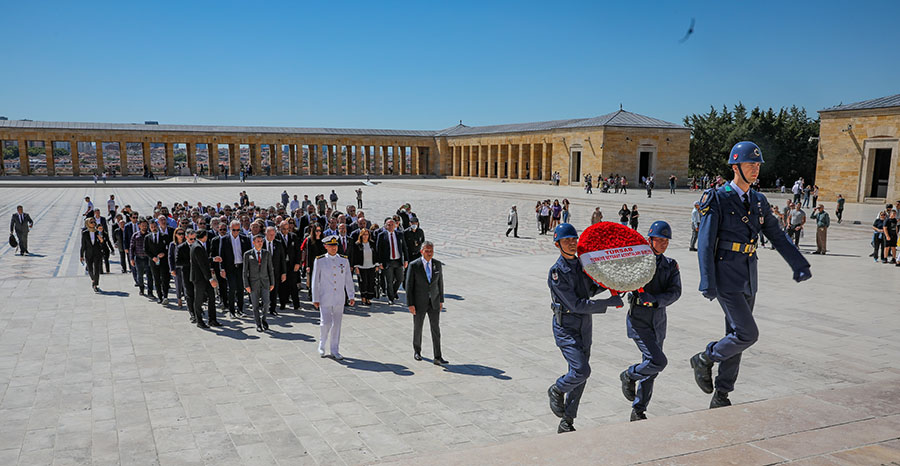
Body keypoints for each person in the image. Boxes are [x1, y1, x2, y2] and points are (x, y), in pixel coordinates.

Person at [691, 141, 811, 409]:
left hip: (748, 275)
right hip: (725, 275)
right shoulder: (718, 198)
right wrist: (707, 280)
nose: (755, 169)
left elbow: (776, 235)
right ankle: (705, 357)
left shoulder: (758, 200)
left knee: (735, 336)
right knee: (747, 334)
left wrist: (798, 263)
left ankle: (722, 394)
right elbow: (706, 243)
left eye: (757, 165)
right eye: (750, 164)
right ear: (736, 167)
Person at [547, 224, 624, 433]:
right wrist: (608, 302)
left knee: (580, 375)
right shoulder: (557, 272)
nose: (572, 243)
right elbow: (576, 304)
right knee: (581, 370)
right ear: (557, 244)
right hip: (566, 327)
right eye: (566, 240)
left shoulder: (583, 265)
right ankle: (557, 389)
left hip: (584, 326)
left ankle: (567, 421)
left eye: (574, 239)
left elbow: (592, 288)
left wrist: (615, 284)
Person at [620, 221, 681, 421]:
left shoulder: (670, 265)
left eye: (666, 240)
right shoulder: (638, 261)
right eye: (660, 239)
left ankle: (639, 410)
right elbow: (623, 280)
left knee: (651, 367)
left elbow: (675, 292)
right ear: (650, 240)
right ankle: (629, 375)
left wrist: (655, 300)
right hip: (639, 320)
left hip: (658, 321)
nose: (664, 243)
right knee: (657, 361)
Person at [312, 235, 355, 359]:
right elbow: (315, 280)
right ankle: (322, 343)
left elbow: (348, 279)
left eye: (335, 245)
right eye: (331, 246)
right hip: (325, 296)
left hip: (339, 297)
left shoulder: (343, 260)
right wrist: (315, 298)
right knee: (325, 323)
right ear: (325, 246)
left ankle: (335, 349)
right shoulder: (320, 260)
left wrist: (351, 295)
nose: (333, 248)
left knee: (337, 324)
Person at [406, 241, 446, 365]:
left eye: (431, 251)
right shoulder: (414, 265)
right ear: (421, 251)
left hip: (434, 301)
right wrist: (410, 304)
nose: (429, 253)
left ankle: (438, 356)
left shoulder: (437, 264)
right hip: (419, 302)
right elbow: (409, 286)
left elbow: (440, 283)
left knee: (436, 329)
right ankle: (417, 351)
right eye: (427, 251)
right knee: (418, 327)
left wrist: (441, 300)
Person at [216, 220, 251, 317]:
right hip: (230, 268)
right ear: (230, 229)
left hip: (241, 267)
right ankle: (232, 311)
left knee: (240, 289)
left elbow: (249, 254)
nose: (236, 232)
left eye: (238, 230)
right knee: (232, 289)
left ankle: (240, 310)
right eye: (234, 230)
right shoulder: (225, 239)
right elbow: (221, 255)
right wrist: (222, 269)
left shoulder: (245, 239)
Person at [243, 234, 275, 332]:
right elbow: (245, 271)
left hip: (265, 282)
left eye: (261, 241)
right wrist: (246, 285)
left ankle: (264, 319)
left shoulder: (266, 253)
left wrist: (272, 282)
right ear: (253, 242)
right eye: (258, 241)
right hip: (253, 283)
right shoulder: (248, 254)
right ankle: (258, 324)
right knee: (255, 305)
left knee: (266, 303)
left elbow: (270, 269)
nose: (260, 243)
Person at [190, 229, 220, 328]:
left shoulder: (198, 245)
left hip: (204, 277)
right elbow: (202, 265)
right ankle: (199, 321)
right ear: (205, 236)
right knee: (198, 299)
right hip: (199, 278)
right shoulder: (197, 247)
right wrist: (210, 279)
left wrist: (213, 259)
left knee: (211, 297)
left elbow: (203, 260)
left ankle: (212, 319)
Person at [375, 219, 407, 304]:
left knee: (400, 279)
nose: (391, 226)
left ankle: (393, 291)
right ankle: (391, 298)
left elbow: (404, 247)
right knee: (389, 281)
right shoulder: (382, 235)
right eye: (389, 225)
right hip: (387, 262)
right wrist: (379, 262)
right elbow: (378, 250)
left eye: (392, 224)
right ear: (385, 226)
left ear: (395, 225)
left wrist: (406, 260)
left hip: (398, 260)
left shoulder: (399, 234)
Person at [146, 221, 171, 305]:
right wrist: (153, 257)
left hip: (163, 261)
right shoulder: (147, 237)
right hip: (154, 261)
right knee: (156, 279)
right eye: (152, 227)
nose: (154, 228)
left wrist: (164, 253)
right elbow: (146, 250)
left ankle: (165, 296)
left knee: (165, 278)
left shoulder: (164, 236)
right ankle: (159, 296)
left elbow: (169, 248)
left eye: (155, 226)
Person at [265, 226, 288, 315]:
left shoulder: (278, 244)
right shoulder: (261, 242)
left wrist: (284, 272)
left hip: (275, 271)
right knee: (264, 291)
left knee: (274, 291)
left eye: (273, 235)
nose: (272, 236)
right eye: (270, 234)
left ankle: (272, 309)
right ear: (266, 234)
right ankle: (264, 308)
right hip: (263, 271)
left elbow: (282, 259)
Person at [351, 227, 377, 305]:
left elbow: (376, 254)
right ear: (361, 235)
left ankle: (368, 298)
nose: (365, 236)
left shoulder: (372, 243)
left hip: (371, 266)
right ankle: (363, 298)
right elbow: (355, 256)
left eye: (367, 234)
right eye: (364, 234)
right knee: (363, 283)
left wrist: (377, 265)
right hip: (361, 267)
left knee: (370, 282)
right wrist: (356, 267)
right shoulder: (357, 244)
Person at [80, 217, 105, 293]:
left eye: (94, 222)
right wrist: (81, 255)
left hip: (97, 253)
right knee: (90, 269)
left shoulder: (97, 232)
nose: (93, 223)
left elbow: (101, 244)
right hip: (89, 254)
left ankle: (95, 284)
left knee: (97, 269)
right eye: (91, 222)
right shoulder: (85, 233)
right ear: (88, 223)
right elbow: (83, 245)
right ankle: (93, 280)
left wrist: (101, 241)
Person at [130, 218, 154, 298]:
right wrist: (131, 258)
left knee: (149, 276)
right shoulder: (135, 235)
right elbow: (132, 247)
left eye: (145, 225)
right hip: (138, 258)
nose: (144, 227)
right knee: (139, 275)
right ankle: (141, 289)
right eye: (142, 225)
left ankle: (150, 292)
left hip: (148, 258)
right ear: (139, 226)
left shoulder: (150, 235)